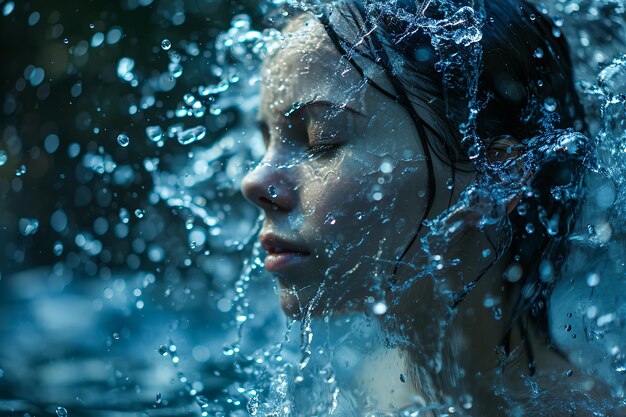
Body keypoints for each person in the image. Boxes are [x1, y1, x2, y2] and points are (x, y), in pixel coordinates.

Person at [241, 0, 612, 415]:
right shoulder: (371, 388)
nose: (254, 180)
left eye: (321, 140)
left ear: (496, 177)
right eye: (266, 142)